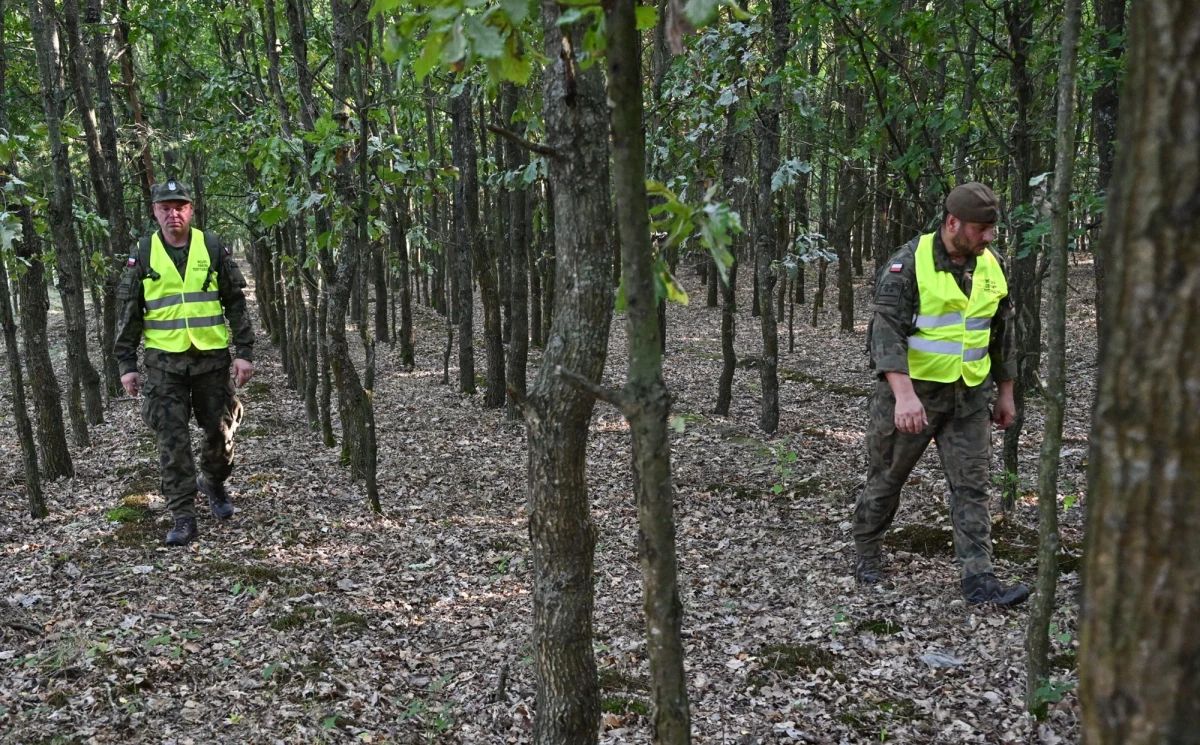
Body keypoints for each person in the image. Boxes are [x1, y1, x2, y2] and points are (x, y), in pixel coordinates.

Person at [855, 182, 1030, 606]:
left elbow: (1001, 334)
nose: (988, 237)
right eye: (980, 229)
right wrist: (904, 396)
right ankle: (866, 554)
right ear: (952, 223)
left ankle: (979, 579)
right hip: (914, 396)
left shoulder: (992, 264)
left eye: (992, 228)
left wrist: (1006, 393)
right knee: (886, 480)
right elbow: (886, 334)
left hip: (968, 397)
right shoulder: (908, 263)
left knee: (972, 487)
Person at [114, 180, 254, 546]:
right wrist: (127, 364)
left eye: (180, 207)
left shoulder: (211, 247)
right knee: (172, 443)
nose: (172, 213)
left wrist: (245, 353)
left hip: (211, 363)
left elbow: (235, 304)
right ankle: (183, 515)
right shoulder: (144, 253)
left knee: (220, 437)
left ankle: (215, 483)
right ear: (155, 212)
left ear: (191, 210)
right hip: (164, 367)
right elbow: (129, 313)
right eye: (165, 208)